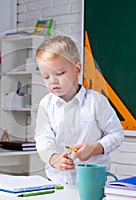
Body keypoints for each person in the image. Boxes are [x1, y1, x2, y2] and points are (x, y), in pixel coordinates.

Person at [34, 35, 124, 185]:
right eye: (46, 76)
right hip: (57, 181)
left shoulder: (96, 101)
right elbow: (43, 139)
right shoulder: (46, 104)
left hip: (94, 182)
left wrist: (96, 148)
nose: (53, 81)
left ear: (77, 69)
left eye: (59, 73)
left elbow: (116, 133)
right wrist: (53, 158)